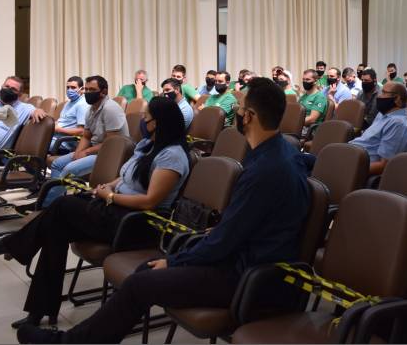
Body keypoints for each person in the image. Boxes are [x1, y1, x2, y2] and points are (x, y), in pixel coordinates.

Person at [15, 78, 311, 344]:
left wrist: (175, 261)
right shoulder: (279, 154)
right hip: (242, 257)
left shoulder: (266, 169)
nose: (235, 112)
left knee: (143, 280)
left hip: (247, 274)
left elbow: (227, 241)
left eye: (240, 107)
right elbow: (239, 228)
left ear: (249, 117)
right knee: (146, 273)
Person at [0, 96, 191, 328]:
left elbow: (149, 202)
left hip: (137, 224)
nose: (142, 120)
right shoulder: (148, 145)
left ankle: (13, 246)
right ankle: (39, 312)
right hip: (115, 211)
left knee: (62, 205)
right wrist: (110, 185)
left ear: (158, 122)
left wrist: (109, 196)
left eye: (146, 117)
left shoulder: (172, 155)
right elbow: (127, 175)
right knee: (55, 231)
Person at [45, 76, 130, 207]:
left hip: (110, 154)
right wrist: (78, 153)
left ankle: (47, 206)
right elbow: (86, 136)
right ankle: (57, 201)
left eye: (92, 89)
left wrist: (86, 152)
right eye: (86, 89)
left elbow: (112, 143)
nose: (88, 92)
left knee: (68, 169)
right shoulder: (91, 109)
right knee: (57, 164)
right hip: (95, 150)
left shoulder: (110, 108)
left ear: (104, 92)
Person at [349, 82, 407, 175]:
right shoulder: (382, 115)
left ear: (397, 99)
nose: (379, 96)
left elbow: (384, 165)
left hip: (355, 166)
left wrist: (349, 169)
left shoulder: (398, 124)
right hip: (349, 155)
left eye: (383, 92)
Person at [50, 76, 89, 153]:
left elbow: (81, 131)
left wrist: (58, 129)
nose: (69, 90)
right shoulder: (68, 103)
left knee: (36, 144)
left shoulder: (82, 105)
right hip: (56, 138)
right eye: (68, 87)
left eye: (73, 87)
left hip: (65, 142)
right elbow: (62, 121)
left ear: (82, 90)